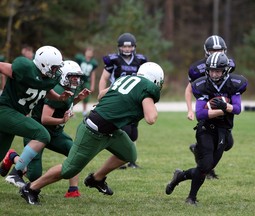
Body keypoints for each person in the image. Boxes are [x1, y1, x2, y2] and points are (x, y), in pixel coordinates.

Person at [19, 62, 164, 205]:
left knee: (129, 154)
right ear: (156, 80)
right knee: (68, 169)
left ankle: (96, 178)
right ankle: (31, 188)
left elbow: (101, 95)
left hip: (111, 129)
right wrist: (149, 105)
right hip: (93, 130)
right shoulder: (148, 88)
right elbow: (151, 118)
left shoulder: (124, 78)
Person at [166, 52, 247, 205]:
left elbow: (237, 108)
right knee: (205, 165)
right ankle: (191, 198)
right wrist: (223, 109)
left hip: (224, 129)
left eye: (218, 71)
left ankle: (179, 176)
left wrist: (225, 106)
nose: (214, 74)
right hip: (206, 129)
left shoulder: (234, 83)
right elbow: (201, 113)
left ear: (225, 71)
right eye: (211, 70)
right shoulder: (202, 84)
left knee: (207, 167)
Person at [0, 60, 91, 197]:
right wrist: (62, 120)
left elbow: (65, 104)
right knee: (34, 175)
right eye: (73, 76)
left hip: (55, 133)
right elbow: (45, 119)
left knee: (74, 154)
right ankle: (13, 158)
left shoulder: (57, 85)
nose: (76, 80)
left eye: (77, 77)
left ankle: (73, 190)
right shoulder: (56, 87)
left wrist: (77, 99)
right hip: (38, 130)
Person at [0, 45, 73, 188]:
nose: (56, 71)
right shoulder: (26, 69)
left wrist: (59, 98)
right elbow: (2, 66)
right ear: (43, 64)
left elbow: (43, 89)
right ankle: (16, 173)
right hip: (5, 111)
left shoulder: (46, 78)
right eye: (53, 67)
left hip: (15, 115)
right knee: (42, 134)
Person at [185, 35, 236, 179]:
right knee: (211, 143)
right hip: (206, 107)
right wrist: (190, 109)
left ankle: (198, 151)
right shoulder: (197, 69)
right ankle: (206, 169)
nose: (216, 53)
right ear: (206, 51)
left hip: (223, 109)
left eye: (219, 50)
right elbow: (189, 89)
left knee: (228, 143)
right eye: (213, 50)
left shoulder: (229, 64)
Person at [98, 32, 147, 169]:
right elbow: (104, 78)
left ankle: (131, 160)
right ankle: (121, 158)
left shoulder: (140, 60)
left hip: (134, 98)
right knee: (123, 130)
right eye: (124, 47)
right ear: (119, 47)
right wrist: (102, 95)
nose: (127, 49)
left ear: (134, 47)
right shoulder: (113, 60)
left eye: (130, 47)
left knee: (133, 131)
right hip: (118, 98)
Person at [74, 47, 98, 117]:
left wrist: (92, 85)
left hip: (86, 81)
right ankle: (71, 110)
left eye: (90, 52)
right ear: (85, 52)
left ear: (92, 54)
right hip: (79, 80)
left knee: (86, 96)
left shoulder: (93, 62)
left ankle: (84, 112)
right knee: (74, 94)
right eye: (88, 52)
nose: (89, 53)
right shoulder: (80, 59)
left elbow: (93, 74)